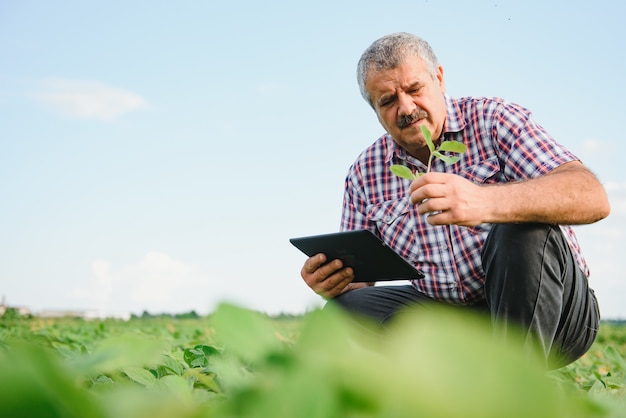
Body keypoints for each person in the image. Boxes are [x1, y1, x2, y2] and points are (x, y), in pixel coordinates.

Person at [300, 32, 610, 369]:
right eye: (387, 101)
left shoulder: (494, 121)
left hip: (555, 313)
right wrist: (335, 279)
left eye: (414, 89)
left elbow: (591, 195)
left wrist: (486, 202)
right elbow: (362, 280)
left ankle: (514, 392)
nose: (406, 108)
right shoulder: (365, 173)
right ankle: (441, 385)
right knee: (346, 309)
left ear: (440, 79)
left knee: (520, 229)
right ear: (374, 110)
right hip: (455, 322)